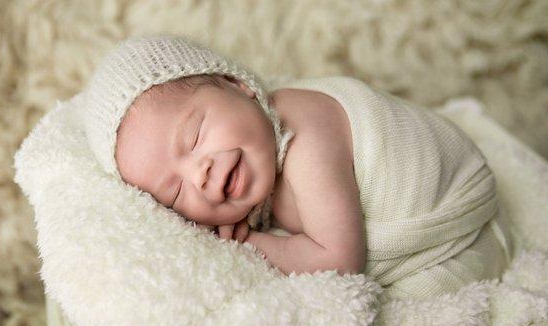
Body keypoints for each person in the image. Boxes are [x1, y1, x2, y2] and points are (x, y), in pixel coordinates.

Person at [76, 34, 512, 299]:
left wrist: (252, 243)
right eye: (174, 193)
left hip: (456, 214)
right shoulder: (258, 157)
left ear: (238, 85)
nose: (200, 174)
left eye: (193, 137)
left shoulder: (304, 135)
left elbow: (340, 261)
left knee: (413, 311)